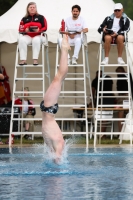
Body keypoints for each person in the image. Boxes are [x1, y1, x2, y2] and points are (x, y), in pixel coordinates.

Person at [40, 35, 70, 164]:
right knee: (60, 77)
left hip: (48, 108)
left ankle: (64, 49)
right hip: (48, 110)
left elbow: (57, 158)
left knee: (59, 77)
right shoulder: (57, 142)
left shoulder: (58, 142)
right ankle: (64, 49)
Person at [116, 66, 133, 132]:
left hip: (123, 96)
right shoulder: (130, 75)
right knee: (129, 112)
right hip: (129, 96)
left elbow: (119, 88)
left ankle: (121, 132)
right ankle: (128, 131)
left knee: (120, 112)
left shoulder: (120, 76)